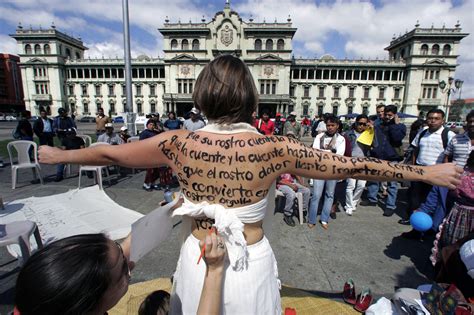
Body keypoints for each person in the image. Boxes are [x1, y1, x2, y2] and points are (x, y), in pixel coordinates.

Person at [38, 55, 462, 314]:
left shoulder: (178, 142)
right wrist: (424, 173)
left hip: (199, 255)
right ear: (252, 100)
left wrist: (60, 155)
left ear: (200, 98)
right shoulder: (275, 147)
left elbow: (113, 153)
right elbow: (350, 166)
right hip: (247, 261)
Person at [15, 230, 227, 315]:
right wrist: (215, 270)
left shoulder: (39, 297)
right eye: (124, 273)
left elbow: (116, 256)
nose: (129, 266)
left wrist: (162, 213)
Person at [401, 109, 456, 224]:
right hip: (420, 170)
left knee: (431, 200)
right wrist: (414, 166)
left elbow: (451, 154)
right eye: (430, 118)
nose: (432, 121)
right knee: (415, 197)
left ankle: (429, 224)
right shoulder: (422, 132)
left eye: (436, 119)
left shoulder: (449, 135)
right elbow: (416, 150)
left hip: (436, 173)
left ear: (442, 121)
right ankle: (411, 218)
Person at [361, 105, 407, 217]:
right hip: (378, 156)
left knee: (392, 183)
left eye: (390, 115)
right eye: (385, 114)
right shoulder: (378, 124)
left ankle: (390, 206)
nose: (386, 117)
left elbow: (396, 138)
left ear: (395, 115)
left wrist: (394, 125)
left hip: (392, 158)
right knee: (374, 179)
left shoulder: (400, 126)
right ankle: (372, 199)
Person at [308, 114, 346, 229]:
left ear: (337, 126)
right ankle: (312, 219)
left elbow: (339, 155)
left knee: (329, 195)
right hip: (319, 170)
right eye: (328, 125)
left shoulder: (341, 139)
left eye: (332, 125)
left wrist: (324, 152)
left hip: (333, 171)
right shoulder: (319, 137)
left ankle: (324, 219)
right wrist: (330, 152)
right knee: (316, 195)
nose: (330, 127)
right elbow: (315, 152)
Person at [344, 114, 370, 215]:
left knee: (361, 185)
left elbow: (376, 144)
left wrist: (373, 131)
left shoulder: (368, 134)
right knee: (351, 185)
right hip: (352, 162)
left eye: (364, 124)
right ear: (356, 123)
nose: (362, 126)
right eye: (360, 123)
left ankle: (354, 202)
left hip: (364, 162)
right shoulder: (349, 134)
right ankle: (349, 205)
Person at [140, 119, 162, 191]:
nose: (152, 126)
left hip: (156, 153)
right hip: (148, 153)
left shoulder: (156, 132)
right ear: (147, 125)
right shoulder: (144, 133)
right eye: (150, 125)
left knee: (156, 170)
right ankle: (146, 184)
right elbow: (141, 143)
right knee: (150, 170)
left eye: (153, 125)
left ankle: (153, 183)